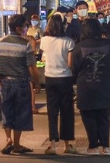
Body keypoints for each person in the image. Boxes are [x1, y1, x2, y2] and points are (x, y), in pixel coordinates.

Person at [71, 18, 110, 156]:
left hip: (85, 87)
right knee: (104, 116)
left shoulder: (79, 47)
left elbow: (73, 70)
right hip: (105, 86)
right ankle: (106, 147)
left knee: (88, 117)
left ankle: (93, 146)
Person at [0, 14, 39, 154]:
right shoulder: (26, 44)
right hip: (21, 82)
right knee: (21, 112)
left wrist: (5, 67)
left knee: (7, 110)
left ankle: (8, 139)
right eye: (25, 27)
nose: (26, 29)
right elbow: (31, 66)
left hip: (5, 82)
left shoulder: (0, 42)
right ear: (18, 29)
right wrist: (36, 82)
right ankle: (17, 145)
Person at [38, 14, 78, 155]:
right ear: (63, 25)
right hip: (65, 78)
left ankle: (53, 145)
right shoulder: (69, 42)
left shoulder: (44, 40)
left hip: (50, 78)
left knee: (52, 111)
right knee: (67, 111)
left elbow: (43, 57)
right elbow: (70, 63)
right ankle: (68, 145)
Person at [26, 14, 42, 114]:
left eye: (35, 19)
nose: (34, 21)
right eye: (32, 19)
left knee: (30, 86)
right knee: (30, 86)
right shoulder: (28, 31)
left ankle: (32, 107)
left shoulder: (40, 30)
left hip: (36, 53)